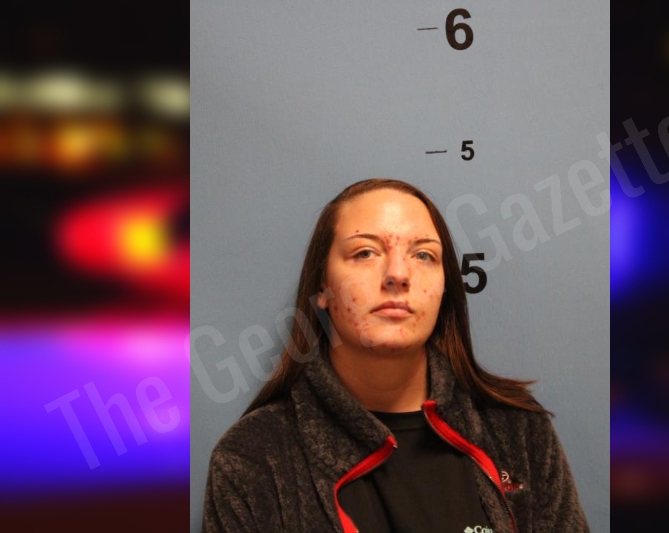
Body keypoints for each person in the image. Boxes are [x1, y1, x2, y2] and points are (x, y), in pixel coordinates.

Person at [203, 179, 589, 533]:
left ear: (444, 287)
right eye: (365, 252)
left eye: (423, 255)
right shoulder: (252, 459)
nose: (398, 274)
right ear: (322, 286)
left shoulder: (519, 431)